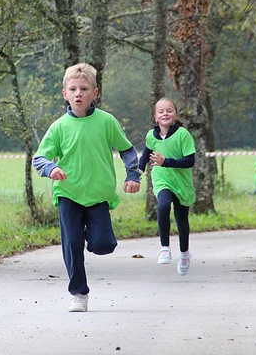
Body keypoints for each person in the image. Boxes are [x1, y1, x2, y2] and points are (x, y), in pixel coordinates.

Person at [32, 63, 141, 313]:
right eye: (73, 89)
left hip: (98, 194)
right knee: (71, 244)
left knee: (103, 245)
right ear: (65, 94)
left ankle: (89, 236)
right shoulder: (59, 127)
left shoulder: (106, 122)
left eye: (84, 88)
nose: (78, 93)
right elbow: (40, 158)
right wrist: (51, 169)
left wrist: (132, 174)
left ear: (95, 92)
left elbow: (126, 149)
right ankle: (78, 293)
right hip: (68, 193)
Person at [138, 98, 196, 276]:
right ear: (156, 116)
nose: (165, 114)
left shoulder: (183, 134)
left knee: (181, 220)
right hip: (161, 179)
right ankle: (164, 248)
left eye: (169, 111)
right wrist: (137, 173)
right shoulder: (151, 136)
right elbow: (146, 156)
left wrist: (166, 162)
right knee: (162, 206)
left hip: (181, 182)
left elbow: (190, 161)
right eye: (161, 111)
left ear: (175, 115)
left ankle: (184, 253)